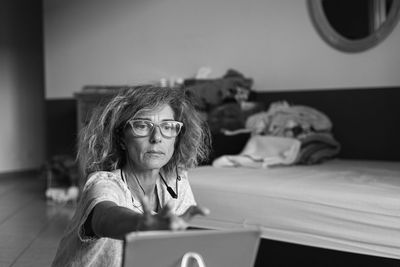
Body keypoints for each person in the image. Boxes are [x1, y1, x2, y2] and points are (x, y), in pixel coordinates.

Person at [52, 85, 211, 267]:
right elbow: (105, 218)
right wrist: (142, 225)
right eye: (142, 125)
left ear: (177, 137)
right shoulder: (104, 184)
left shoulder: (176, 182)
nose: (157, 137)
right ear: (121, 138)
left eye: (167, 126)